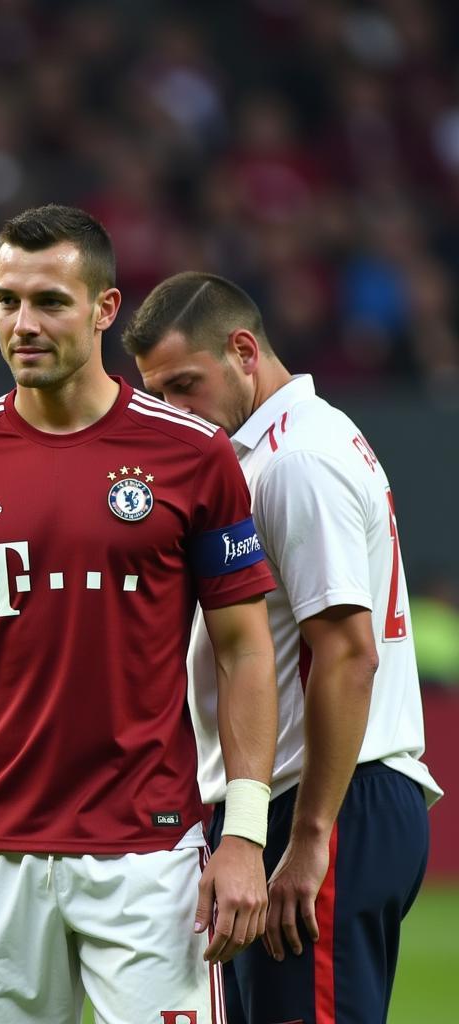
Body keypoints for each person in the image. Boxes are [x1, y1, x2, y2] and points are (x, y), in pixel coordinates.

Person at [0, 204, 280, 1024]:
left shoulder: (193, 456)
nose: (22, 323)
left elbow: (245, 651)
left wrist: (245, 833)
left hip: (150, 856)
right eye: (5, 299)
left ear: (103, 309)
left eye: (49, 300)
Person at [125, 271, 443, 1024]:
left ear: (243, 350)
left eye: (185, 386)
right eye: (157, 394)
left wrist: (309, 841)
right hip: (313, 800)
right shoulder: (284, 447)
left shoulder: (297, 461)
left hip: (326, 800)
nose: (174, 411)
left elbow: (346, 654)